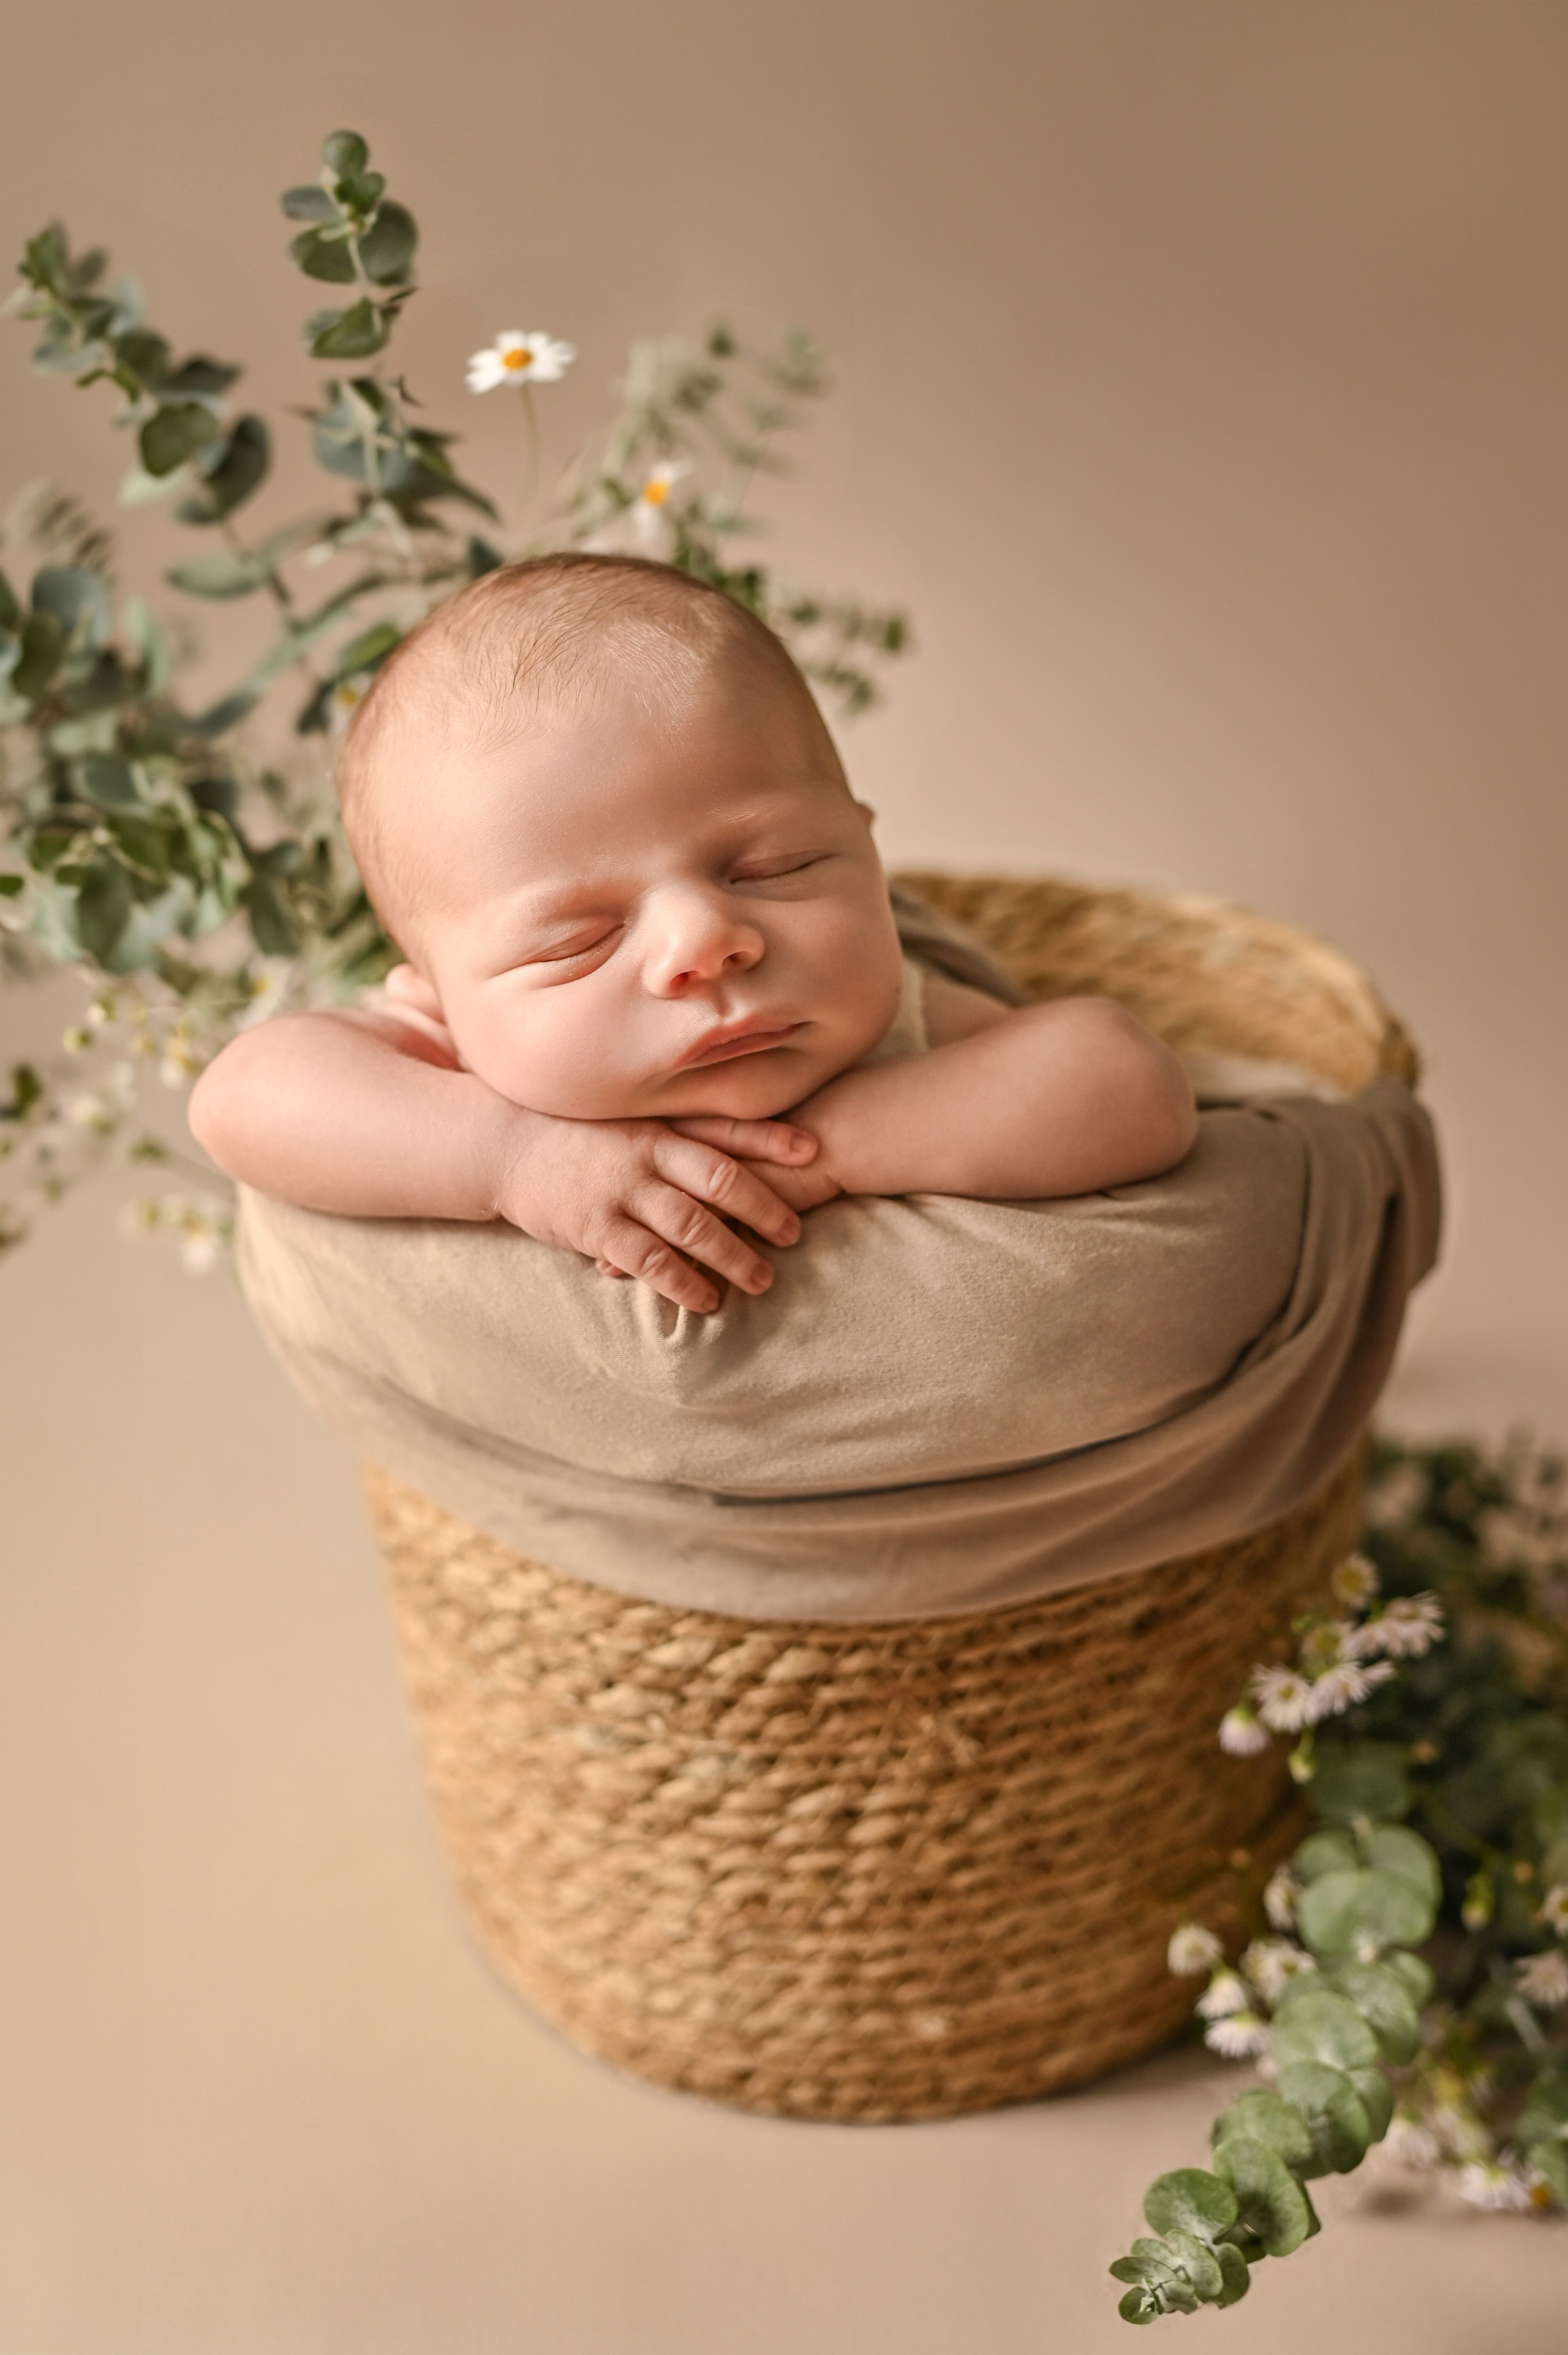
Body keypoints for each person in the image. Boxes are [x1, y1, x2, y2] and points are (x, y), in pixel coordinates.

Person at [190, 554, 1197, 1316]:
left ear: (870, 855)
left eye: (774, 869)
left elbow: (1128, 1084)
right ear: (436, 989)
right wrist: (509, 1155)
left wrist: (832, 1147)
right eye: (575, 941)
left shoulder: (901, 1029)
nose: (705, 944)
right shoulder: (453, 1057)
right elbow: (239, 1100)